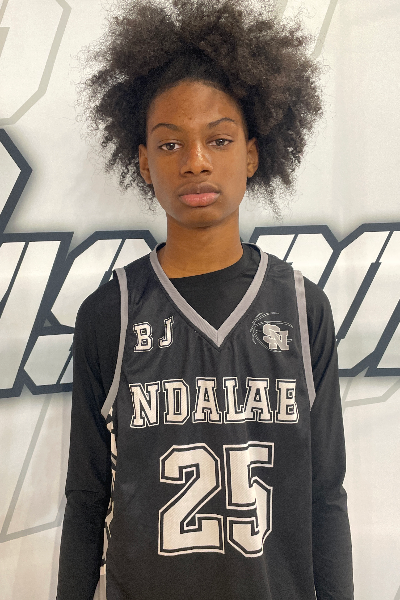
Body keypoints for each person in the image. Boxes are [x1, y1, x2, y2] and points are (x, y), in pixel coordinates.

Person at [56, 1, 353, 598]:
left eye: (218, 140)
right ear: (143, 162)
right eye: (170, 145)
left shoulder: (302, 308)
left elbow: (325, 496)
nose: (195, 162)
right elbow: (86, 497)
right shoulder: (111, 313)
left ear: (252, 154)